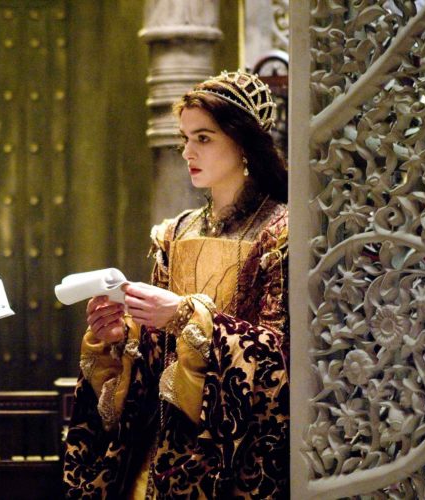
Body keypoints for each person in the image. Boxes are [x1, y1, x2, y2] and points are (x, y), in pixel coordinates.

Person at [63, 71, 289, 498]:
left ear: (243, 142)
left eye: (203, 138)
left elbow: (278, 356)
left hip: (230, 453)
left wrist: (186, 316)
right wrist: (119, 337)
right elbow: (156, 358)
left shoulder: (280, 232)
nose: (188, 152)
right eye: (185, 138)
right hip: (159, 450)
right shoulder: (175, 233)